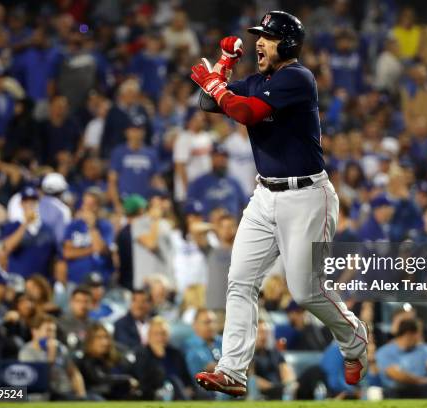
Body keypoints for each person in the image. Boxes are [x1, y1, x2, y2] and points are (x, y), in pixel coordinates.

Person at [190, 11, 368, 396]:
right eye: (259, 36)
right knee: (239, 279)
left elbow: (247, 111)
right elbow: (208, 104)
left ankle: (354, 339)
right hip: (264, 194)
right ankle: (233, 371)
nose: (259, 42)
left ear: (286, 43)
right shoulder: (258, 80)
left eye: (267, 37)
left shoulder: (297, 78)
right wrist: (222, 67)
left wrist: (218, 85)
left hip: (307, 196)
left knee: (304, 291)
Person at [18, 314, 88, 401]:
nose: (51, 335)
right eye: (48, 330)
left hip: (66, 393)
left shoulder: (60, 348)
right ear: (34, 331)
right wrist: (51, 357)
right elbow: (36, 381)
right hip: (43, 397)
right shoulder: (26, 352)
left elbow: (73, 372)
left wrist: (81, 394)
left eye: (53, 331)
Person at [0, 186, 60, 280]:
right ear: (21, 204)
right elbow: (7, 248)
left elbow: (55, 258)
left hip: (41, 283)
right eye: (26, 201)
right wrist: (26, 223)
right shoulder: (13, 226)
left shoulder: (48, 229)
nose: (30, 204)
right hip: (18, 282)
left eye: (33, 200)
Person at [133, 316, 194, 400]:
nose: (160, 337)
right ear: (149, 335)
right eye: (156, 334)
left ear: (168, 335)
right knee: (173, 381)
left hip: (179, 396)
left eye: (163, 333)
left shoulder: (176, 353)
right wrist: (159, 358)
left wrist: (188, 389)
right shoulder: (141, 354)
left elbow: (187, 380)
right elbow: (144, 382)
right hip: (153, 396)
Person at [107, 117, 159, 214]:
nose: (137, 133)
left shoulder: (151, 154)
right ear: (127, 132)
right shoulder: (118, 152)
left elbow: (155, 180)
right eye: (133, 129)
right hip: (125, 201)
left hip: (145, 202)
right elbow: (112, 181)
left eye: (140, 129)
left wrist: (156, 202)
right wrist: (117, 205)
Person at [62, 189, 114, 284]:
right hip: (76, 279)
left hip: (100, 279)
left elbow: (100, 249)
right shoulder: (73, 226)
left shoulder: (105, 226)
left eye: (91, 205)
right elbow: (67, 253)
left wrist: (91, 226)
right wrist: (91, 249)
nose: (86, 208)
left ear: (98, 207)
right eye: (85, 204)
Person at [76, 323, 139, 400]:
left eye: (106, 338)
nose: (105, 343)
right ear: (90, 340)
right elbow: (99, 379)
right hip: (92, 396)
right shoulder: (85, 359)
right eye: (99, 338)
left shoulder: (108, 359)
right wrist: (127, 380)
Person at [186, 144, 247, 218]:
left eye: (223, 157)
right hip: (208, 226)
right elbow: (190, 207)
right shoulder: (199, 182)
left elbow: (245, 204)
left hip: (232, 226)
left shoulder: (234, 182)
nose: (221, 160)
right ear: (211, 159)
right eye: (217, 157)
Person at [253, 319, 297, 400]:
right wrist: (274, 388)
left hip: (282, 389)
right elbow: (252, 379)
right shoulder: (249, 355)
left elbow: (286, 370)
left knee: (314, 372)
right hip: (265, 392)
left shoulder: (274, 352)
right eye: (260, 332)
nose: (264, 336)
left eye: (266, 332)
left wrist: (289, 385)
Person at [183, 308, 223, 378]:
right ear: (195, 325)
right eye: (207, 322)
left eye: (214, 322)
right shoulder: (188, 346)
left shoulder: (223, 341)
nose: (212, 326)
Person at [58, 286, 93, 351]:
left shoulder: (94, 325)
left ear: (91, 304)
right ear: (71, 302)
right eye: (78, 301)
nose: (82, 305)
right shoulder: (60, 324)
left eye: (86, 301)